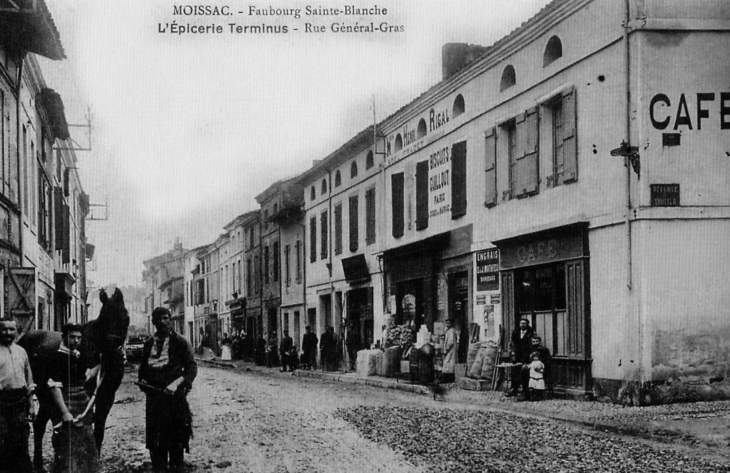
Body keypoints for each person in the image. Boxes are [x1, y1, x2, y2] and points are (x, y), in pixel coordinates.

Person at [138, 307, 198, 472]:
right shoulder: (149, 344)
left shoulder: (181, 342)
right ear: (154, 322)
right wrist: (143, 382)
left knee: (176, 444)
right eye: (159, 319)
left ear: (170, 320)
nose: (163, 322)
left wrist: (176, 384)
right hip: (155, 402)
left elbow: (191, 369)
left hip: (175, 401)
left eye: (166, 318)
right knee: (156, 446)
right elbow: (142, 371)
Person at [47, 323, 99, 473]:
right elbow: (55, 387)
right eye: (72, 337)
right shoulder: (57, 357)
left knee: (86, 442)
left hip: (83, 402)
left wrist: (103, 363)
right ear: (64, 337)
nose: (76, 341)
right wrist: (64, 412)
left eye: (79, 338)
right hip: (66, 402)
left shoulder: (77, 355)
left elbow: (88, 375)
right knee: (68, 446)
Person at [0, 318, 35, 473]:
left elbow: (28, 377)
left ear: (16, 331)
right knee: (3, 441)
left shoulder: (21, 351)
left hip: (20, 401)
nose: (8, 333)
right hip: (2, 402)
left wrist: (31, 404)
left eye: (11, 329)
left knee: (21, 440)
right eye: (4, 329)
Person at [506, 318, 534, 398]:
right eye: (521, 323)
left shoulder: (531, 333)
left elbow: (532, 345)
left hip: (526, 357)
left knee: (524, 374)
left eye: (524, 323)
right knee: (514, 373)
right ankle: (513, 390)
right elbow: (511, 344)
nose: (522, 325)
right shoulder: (515, 332)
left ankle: (525, 392)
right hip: (516, 357)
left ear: (527, 324)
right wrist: (512, 353)